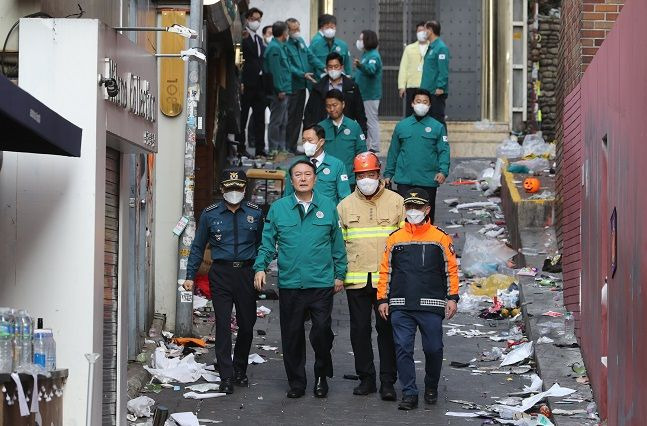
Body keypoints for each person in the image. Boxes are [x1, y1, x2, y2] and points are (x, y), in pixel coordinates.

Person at [254, 160, 347, 399]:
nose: (303, 178)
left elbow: (337, 243)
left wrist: (340, 274)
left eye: (308, 174)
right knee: (292, 335)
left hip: (321, 282)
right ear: (291, 180)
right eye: (298, 175)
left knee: (322, 332)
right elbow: (267, 242)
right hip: (291, 283)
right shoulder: (279, 208)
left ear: (315, 179)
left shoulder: (328, 206)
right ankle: (297, 382)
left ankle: (321, 375)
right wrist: (260, 267)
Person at [376, 188, 459, 410]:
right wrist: (382, 299)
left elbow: (451, 269)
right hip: (400, 304)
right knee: (403, 348)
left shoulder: (440, 238)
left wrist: (452, 297)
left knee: (433, 348)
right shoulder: (395, 239)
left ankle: (431, 385)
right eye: (409, 207)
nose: (413, 211)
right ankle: (409, 393)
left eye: (418, 207)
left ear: (427, 209)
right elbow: (386, 271)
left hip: (431, 305)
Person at [182, 169, 263, 394]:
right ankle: (226, 375)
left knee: (247, 325)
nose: (234, 192)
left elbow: (261, 245)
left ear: (245, 189)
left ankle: (240, 369)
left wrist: (261, 269)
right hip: (221, 274)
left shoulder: (255, 214)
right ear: (222, 189)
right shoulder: (210, 214)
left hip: (246, 274)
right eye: (230, 188)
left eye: (238, 188)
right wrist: (189, 276)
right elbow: (197, 247)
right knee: (223, 325)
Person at [337, 152, 404, 401]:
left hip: (386, 281)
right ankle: (366, 378)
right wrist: (338, 275)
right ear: (356, 177)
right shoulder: (344, 206)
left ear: (379, 175)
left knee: (386, 331)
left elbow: (405, 244)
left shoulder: (397, 202)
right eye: (362, 175)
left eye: (371, 174)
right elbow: (338, 245)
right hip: (356, 280)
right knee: (359, 330)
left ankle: (388, 381)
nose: (367, 179)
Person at [384, 89, 449, 224]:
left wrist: (443, 171)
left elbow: (444, 150)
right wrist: (388, 174)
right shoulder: (402, 126)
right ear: (412, 104)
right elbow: (393, 152)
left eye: (425, 102)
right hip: (405, 180)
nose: (421, 104)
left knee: (426, 219)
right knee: (404, 218)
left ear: (430, 105)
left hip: (428, 180)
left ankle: (428, 243)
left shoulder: (437, 127)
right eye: (418, 101)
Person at [285, 18, 325, 154]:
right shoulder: (285, 44)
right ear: (288, 30)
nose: (297, 32)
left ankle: (292, 146)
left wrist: (324, 68)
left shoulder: (300, 42)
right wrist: (302, 74)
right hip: (292, 86)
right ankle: (286, 147)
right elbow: (288, 66)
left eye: (298, 29)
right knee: (289, 117)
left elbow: (311, 56)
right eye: (294, 29)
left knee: (298, 117)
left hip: (302, 85)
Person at [285, 124, 351, 205]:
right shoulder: (296, 165)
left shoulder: (337, 165)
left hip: (328, 214)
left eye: (310, 140)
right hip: (301, 215)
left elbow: (344, 197)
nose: (306, 144)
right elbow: (287, 196)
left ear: (321, 142)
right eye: (304, 141)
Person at [303, 52, 367, 134]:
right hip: (323, 130)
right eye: (330, 67)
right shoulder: (318, 87)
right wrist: (308, 132)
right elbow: (309, 112)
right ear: (326, 68)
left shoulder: (352, 87)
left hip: (346, 131)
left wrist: (363, 132)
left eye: (336, 66)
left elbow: (360, 112)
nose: (333, 69)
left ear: (341, 67)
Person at [318, 89, 367, 187]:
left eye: (335, 105)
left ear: (343, 104)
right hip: (326, 180)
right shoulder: (320, 127)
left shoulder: (354, 126)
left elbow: (362, 154)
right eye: (328, 106)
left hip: (350, 180)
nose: (331, 109)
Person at [239, 7, 267, 157]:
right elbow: (239, 61)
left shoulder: (259, 39)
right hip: (247, 83)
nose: (257, 22)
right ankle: (240, 148)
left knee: (260, 119)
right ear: (248, 19)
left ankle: (260, 149)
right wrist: (240, 81)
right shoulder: (242, 37)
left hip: (259, 85)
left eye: (259, 20)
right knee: (242, 118)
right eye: (254, 19)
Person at [264, 21, 292, 153]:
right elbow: (275, 71)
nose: (288, 34)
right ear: (283, 33)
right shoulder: (275, 48)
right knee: (276, 121)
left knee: (283, 121)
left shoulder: (280, 46)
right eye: (287, 31)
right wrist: (280, 89)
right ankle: (274, 148)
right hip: (279, 91)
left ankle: (281, 148)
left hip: (285, 89)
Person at [353, 30, 382, 153]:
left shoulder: (373, 56)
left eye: (361, 39)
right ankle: (368, 144)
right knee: (366, 120)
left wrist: (360, 66)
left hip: (370, 95)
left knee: (371, 120)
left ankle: (374, 146)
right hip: (363, 94)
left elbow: (371, 70)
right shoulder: (366, 55)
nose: (359, 42)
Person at [420, 20, 450, 126]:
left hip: (436, 91)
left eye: (424, 29)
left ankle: (443, 142)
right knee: (428, 121)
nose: (422, 32)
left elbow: (443, 70)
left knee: (438, 120)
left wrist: (440, 87)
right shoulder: (431, 47)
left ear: (430, 30)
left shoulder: (441, 48)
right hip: (427, 90)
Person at [397, 22, 430, 117]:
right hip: (412, 85)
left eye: (423, 30)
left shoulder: (432, 47)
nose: (421, 33)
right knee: (410, 112)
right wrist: (402, 86)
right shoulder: (409, 48)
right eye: (419, 31)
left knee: (426, 113)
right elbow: (404, 67)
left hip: (427, 85)